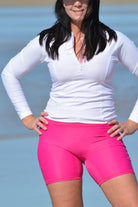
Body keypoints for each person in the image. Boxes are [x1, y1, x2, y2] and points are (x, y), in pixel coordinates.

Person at [1, 0, 138, 206]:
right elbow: (9, 73)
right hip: (56, 141)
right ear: (61, 3)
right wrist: (27, 118)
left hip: (103, 138)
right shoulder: (47, 40)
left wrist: (133, 122)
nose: (76, 3)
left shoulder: (114, 40)